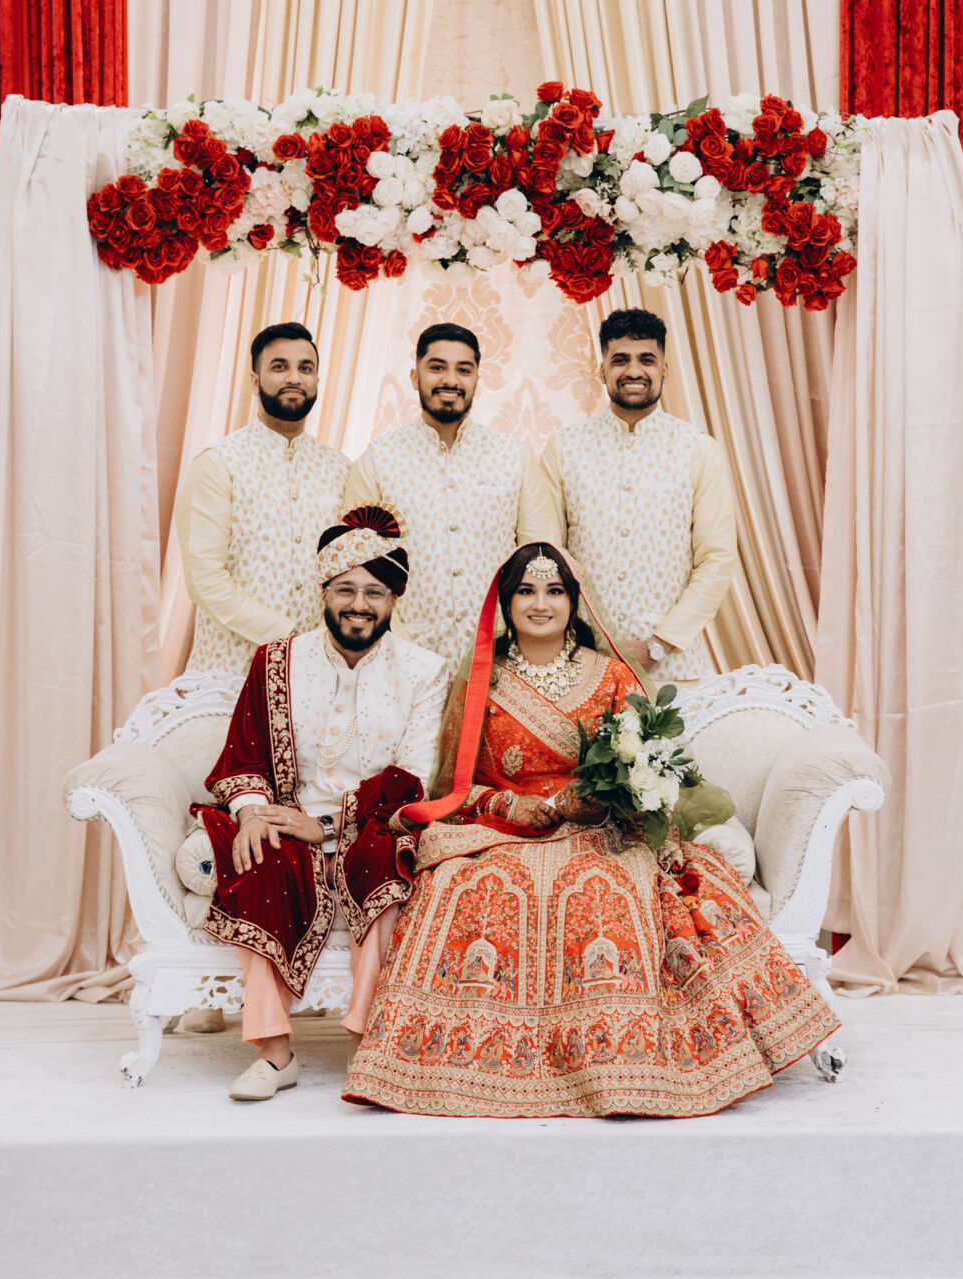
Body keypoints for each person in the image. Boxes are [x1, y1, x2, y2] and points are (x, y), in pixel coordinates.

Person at [342, 543, 839, 1117]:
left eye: (555, 591)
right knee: (469, 887)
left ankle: (616, 1059)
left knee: (605, 890)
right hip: (504, 831)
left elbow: (649, 771)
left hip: (600, 827)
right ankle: (471, 1060)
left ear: (575, 602)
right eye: (526, 591)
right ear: (506, 603)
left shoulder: (612, 677)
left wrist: (603, 800)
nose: (541, 603)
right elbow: (456, 786)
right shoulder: (484, 681)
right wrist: (509, 803)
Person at [195, 507, 449, 1100]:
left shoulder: (424, 671)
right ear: (324, 592)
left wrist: (330, 825)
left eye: (374, 592)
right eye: (345, 590)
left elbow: (413, 776)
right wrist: (252, 813)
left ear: (394, 600)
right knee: (256, 859)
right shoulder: (275, 661)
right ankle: (274, 1054)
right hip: (284, 819)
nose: (359, 604)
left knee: (387, 867)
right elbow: (245, 755)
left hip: (376, 824)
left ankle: (368, 1047)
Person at [519, 308, 736, 681]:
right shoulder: (565, 448)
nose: (634, 371)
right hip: (578, 661)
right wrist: (575, 639)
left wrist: (659, 645)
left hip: (673, 668)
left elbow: (716, 561)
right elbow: (546, 554)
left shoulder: (698, 450)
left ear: (664, 369)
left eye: (646, 360)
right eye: (620, 360)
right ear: (601, 370)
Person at [344, 322, 532, 671]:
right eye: (437, 367)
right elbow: (358, 567)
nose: (450, 380)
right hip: (401, 657)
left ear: (477, 379)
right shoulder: (377, 462)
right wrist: (398, 646)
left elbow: (538, 559)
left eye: (464, 370)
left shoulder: (514, 458)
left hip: (501, 656)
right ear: (415, 377)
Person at [175, 321, 351, 675]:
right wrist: (289, 638)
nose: (294, 378)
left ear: (317, 381)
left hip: (315, 675)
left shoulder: (340, 469)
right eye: (279, 366)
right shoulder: (219, 463)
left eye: (305, 368)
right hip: (229, 671)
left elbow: (347, 569)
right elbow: (205, 580)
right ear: (254, 381)